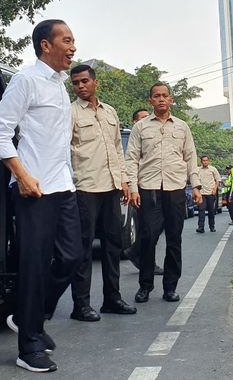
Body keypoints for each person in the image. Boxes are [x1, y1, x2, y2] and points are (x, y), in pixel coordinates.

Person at [0, 19, 82, 373]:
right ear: (46, 45)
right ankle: (28, 345)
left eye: (73, 41)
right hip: (34, 188)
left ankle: (29, 313)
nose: (73, 47)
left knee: (72, 256)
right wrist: (22, 176)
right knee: (34, 265)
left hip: (63, 185)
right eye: (67, 40)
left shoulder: (59, 85)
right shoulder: (26, 81)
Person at [68, 64, 136, 321]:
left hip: (112, 187)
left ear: (96, 83)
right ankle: (81, 305)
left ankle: (112, 299)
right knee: (84, 247)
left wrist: (125, 181)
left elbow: (118, 149)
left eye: (84, 81)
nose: (80, 86)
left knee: (113, 245)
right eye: (75, 83)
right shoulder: (71, 113)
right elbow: (64, 150)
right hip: (84, 187)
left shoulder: (110, 112)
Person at [125, 83, 202, 303]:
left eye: (164, 96)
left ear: (171, 100)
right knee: (148, 238)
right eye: (156, 96)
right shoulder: (141, 128)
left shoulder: (182, 127)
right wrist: (132, 188)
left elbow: (190, 157)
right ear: (150, 101)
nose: (161, 99)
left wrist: (195, 186)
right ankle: (145, 286)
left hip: (175, 188)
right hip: (148, 188)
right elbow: (131, 159)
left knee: (174, 239)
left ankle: (170, 287)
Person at [123, 108, 164, 276]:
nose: (149, 121)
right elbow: (129, 162)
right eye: (144, 118)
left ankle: (136, 251)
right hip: (138, 186)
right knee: (147, 227)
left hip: (155, 184)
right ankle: (145, 260)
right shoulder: (132, 137)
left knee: (156, 225)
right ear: (135, 122)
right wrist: (131, 186)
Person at [196, 155, 221, 233]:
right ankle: (201, 227)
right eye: (203, 160)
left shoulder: (213, 169)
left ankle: (212, 226)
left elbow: (218, 180)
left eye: (206, 160)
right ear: (201, 161)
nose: (205, 162)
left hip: (210, 193)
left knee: (211, 211)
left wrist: (215, 189)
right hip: (201, 193)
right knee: (201, 210)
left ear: (208, 161)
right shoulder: (197, 170)